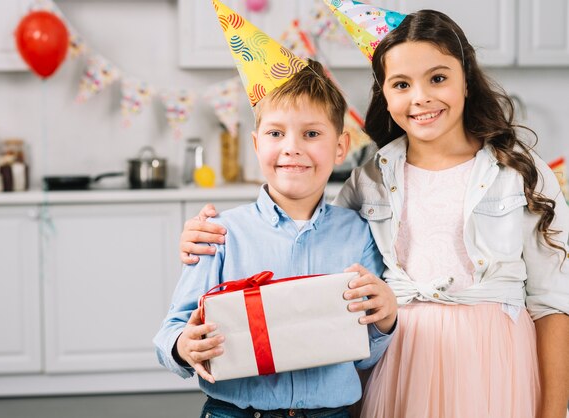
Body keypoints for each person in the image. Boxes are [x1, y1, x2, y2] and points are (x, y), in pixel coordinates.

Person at [179, 4, 569, 418]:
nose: (421, 98)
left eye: (438, 78)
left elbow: (553, 303)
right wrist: (205, 235)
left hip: (495, 364)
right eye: (401, 84)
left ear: (466, 80)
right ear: (383, 92)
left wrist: (552, 411)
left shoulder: (521, 174)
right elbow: (312, 246)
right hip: (397, 366)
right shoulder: (370, 180)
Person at [155, 2, 398, 417]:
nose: (292, 147)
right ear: (256, 145)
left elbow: (364, 357)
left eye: (311, 133)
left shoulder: (359, 234)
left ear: (341, 147)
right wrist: (183, 345)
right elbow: (172, 331)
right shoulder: (219, 234)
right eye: (275, 132)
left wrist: (385, 320)